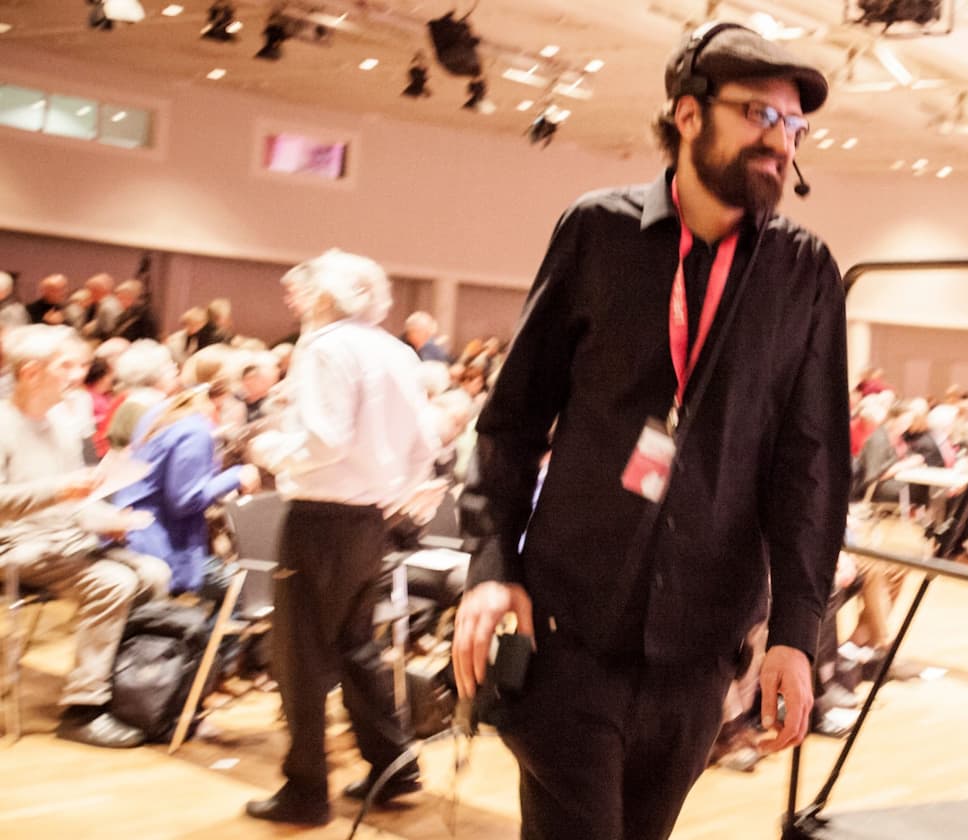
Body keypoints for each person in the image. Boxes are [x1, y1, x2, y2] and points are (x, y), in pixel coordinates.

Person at [450, 22, 848, 840]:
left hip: (697, 662)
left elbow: (810, 469)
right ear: (688, 115)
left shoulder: (804, 273)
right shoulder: (596, 233)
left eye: (795, 127)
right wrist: (493, 566)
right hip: (566, 638)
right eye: (760, 116)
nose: (782, 142)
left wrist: (797, 636)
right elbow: (512, 420)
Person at [243, 250, 440, 825]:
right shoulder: (396, 350)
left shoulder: (326, 346)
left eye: (303, 290)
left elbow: (326, 438)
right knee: (356, 646)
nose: (296, 300)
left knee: (300, 656)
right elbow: (423, 441)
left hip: (320, 516)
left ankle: (305, 790)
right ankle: (392, 764)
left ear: (328, 297)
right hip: (369, 520)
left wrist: (268, 450)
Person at [0, 324, 172, 748]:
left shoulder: (62, 421)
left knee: (153, 572)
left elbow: (76, 498)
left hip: (64, 542)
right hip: (17, 546)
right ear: (31, 371)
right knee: (113, 582)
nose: (80, 373)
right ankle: (83, 707)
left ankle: (127, 688)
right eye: (68, 365)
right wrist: (61, 490)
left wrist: (107, 517)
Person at [114, 386, 259, 595]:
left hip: (134, 538)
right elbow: (185, 500)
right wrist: (236, 475)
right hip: (163, 549)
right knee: (248, 591)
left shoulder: (159, 417)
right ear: (217, 402)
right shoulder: (195, 431)